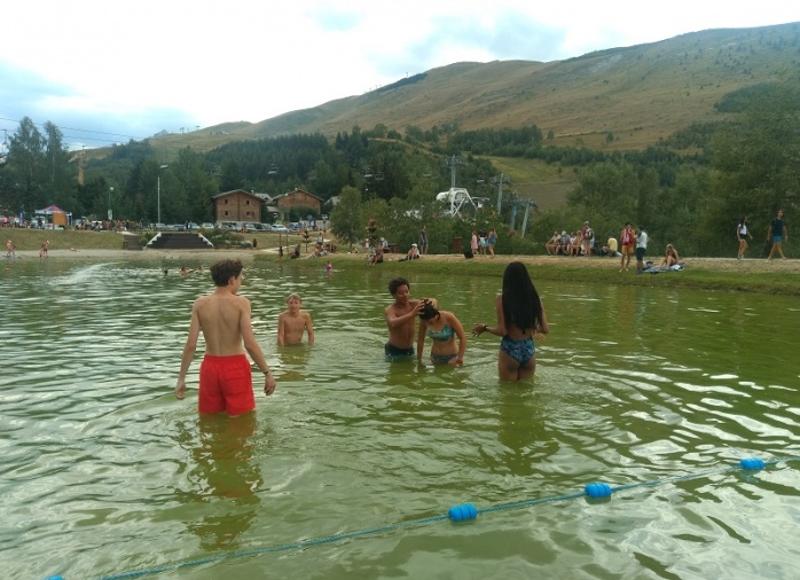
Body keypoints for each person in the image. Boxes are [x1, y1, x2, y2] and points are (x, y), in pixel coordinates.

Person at [176, 259, 276, 415]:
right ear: (231, 280)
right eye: (240, 277)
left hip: (210, 368)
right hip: (235, 367)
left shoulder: (199, 304)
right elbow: (249, 343)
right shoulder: (241, 303)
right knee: (241, 421)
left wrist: (181, 379)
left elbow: (190, 345)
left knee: (210, 418)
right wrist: (267, 373)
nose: (241, 281)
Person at [472, 261, 549, 381]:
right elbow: (545, 329)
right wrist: (532, 330)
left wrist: (485, 328)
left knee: (507, 393)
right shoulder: (535, 299)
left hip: (510, 349)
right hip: (529, 349)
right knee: (526, 392)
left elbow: (502, 331)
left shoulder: (502, 299)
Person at [416, 299, 466, 366]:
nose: (428, 324)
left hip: (452, 357)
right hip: (434, 357)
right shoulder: (424, 320)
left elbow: (462, 337)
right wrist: (419, 360)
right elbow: (420, 340)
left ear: (436, 315)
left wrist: (459, 358)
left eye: (430, 322)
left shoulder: (449, 317)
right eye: (426, 322)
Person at [384, 277, 424, 359]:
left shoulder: (413, 304)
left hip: (410, 349)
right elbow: (393, 323)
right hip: (394, 350)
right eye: (401, 293)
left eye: (407, 292)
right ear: (393, 295)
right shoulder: (391, 309)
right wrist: (412, 314)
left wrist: (430, 302)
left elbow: (433, 302)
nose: (405, 295)